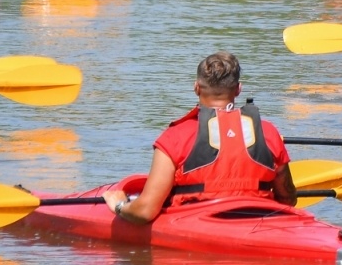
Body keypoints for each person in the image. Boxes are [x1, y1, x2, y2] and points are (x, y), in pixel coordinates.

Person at [103, 52, 297, 224]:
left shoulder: (175, 137)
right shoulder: (268, 132)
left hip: (196, 225)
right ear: (238, 89)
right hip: (259, 222)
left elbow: (145, 212)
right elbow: (288, 199)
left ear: (196, 88)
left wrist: (120, 205)